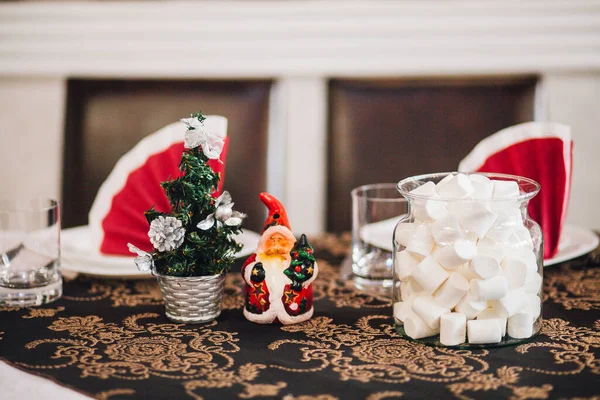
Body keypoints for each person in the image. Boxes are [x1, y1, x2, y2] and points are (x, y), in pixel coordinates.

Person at [241, 193, 318, 324]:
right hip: (260, 308)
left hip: (295, 307)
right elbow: (246, 271)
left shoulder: (298, 258)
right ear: (264, 242)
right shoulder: (257, 258)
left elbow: (311, 271)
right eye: (272, 240)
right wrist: (254, 274)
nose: (276, 245)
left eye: (281, 240)